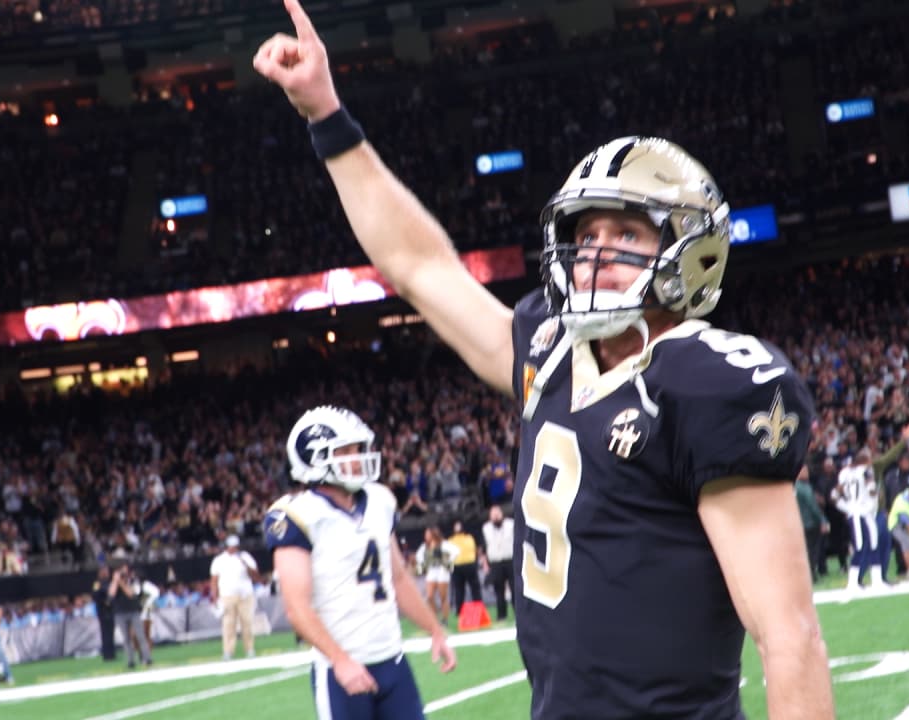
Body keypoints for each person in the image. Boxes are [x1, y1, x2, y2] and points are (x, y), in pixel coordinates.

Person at [254, 7, 834, 717]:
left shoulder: (708, 383)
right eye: (587, 234)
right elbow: (419, 266)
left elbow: (788, 634)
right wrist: (327, 117)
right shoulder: (549, 349)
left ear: (692, 252)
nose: (597, 252)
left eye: (627, 232)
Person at [265, 406, 456, 719]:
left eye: (358, 449)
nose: (358, 457)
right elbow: (296, 608)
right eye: (347, 451)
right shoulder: (298, 516)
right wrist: (340, 660)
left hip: (393, 660)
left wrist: (434, 629)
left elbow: (398, 578)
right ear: (316, 457)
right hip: (343, 670)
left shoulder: (379, 500)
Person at [835, 451, 887, 591]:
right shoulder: (864, 471)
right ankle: (852, 583)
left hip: (862, 512)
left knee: (872, 544)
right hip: (860, 512)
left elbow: (835, 495)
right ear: (865, 461)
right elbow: (871, 489)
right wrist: (877, 492)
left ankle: (877, 580)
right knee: (860, 546)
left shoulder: (846, 474)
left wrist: (845, 507)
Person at [210, 534, 262, 660]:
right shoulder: (219, 560)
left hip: (245, 595)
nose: (233, 549)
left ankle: (249, 649)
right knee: (228, 624)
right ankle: (228, 651)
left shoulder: (245, 557)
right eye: (231, 547)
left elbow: (256, 575)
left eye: (235, 547)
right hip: (227, 596)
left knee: (247, 622)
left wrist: (245, 564)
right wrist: (214, 596)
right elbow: (214, 579)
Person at [108, 562, 152, 669]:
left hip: (133, 611)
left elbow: (131, 594)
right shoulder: (113, 581)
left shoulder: (133, 580)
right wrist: (115, 581)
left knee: (140, 635)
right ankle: (130, 660)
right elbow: (111, 594)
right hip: (120, 613)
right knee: (126, 638)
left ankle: (146, 657)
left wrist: (122, 583)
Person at [480, 504, 516, 620]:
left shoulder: (511, 524)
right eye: (493, 514)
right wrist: (485, 563)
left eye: (497, 514)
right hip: (495, 562)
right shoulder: (486, 528)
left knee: (515, 588)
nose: (495, 516)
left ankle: (518, 614)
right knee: (499, 590)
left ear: (502, 514)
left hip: (510, 560)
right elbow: (484, 548)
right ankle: (502, 615)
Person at [415, 527, 458, 623]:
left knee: (443, 597)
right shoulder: (425, 546)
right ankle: (434, 618)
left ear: (433, 534)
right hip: (431, 571)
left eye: (427, 534)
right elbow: (418, 556)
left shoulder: (443, 544)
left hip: (442, 571)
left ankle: (445, 619)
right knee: (429, 596)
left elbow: (456, 551)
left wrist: (448, 561)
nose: (426, 536)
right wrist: (424, 564)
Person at [446, 520, 482, 617]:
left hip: (469, 565)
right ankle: (459, 611)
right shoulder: (451, 540)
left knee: (475, 589)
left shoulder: (469, 538)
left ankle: (479, 609)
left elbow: (475, 550)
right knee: (459, 590)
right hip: (457, 567)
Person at [91, 565, 116, 661]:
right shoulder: (97, 583)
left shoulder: (110, 582)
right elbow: (95, 594)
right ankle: (107, 654)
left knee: (111, 632)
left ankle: (112, 653)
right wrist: (104, 600)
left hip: (111, 611)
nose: (107, 573)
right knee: (105, 633)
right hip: (102, 611)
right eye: (105, 571)